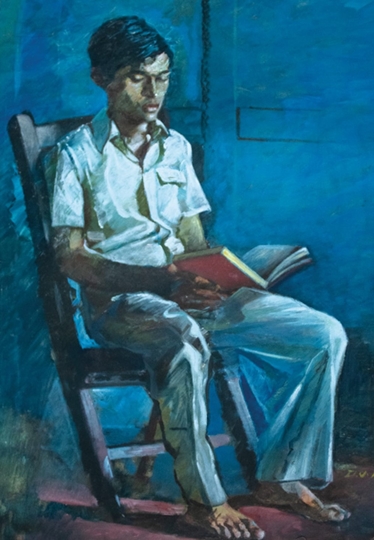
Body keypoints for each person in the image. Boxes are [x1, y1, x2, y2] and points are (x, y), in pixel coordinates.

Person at [47, 16, 350, 540]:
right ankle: (205, 503)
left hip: (185, 293)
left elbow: (191, 241)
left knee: (323, 334)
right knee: (185, 342)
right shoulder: (75, 154)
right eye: (139, 78)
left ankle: (282, 476)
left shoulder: (176, 148)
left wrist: (220, 277)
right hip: (121, 305)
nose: (154, 92)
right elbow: (70, 258)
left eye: (162, 77)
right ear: (102, 78)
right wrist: (162, 281)